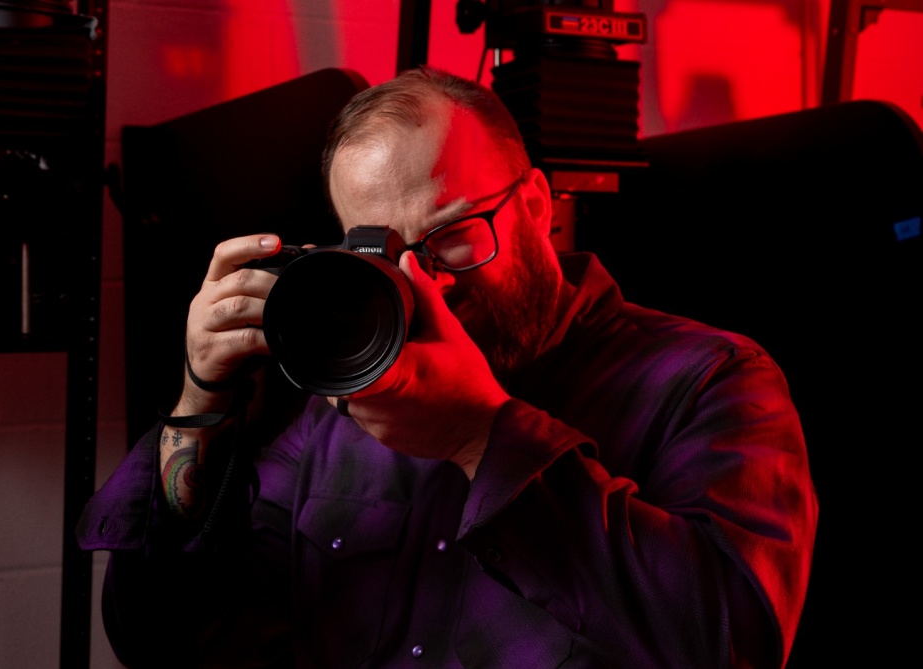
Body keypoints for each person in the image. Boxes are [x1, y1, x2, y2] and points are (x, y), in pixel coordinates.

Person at [78, 66, 818, 669]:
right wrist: (201, 403)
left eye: (454, 235)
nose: (425, 283)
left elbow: (732, 644)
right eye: (384, 252)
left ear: (536, 205)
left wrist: (478, 434)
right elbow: (164, 639)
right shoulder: (347, 412)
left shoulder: (708, 379)